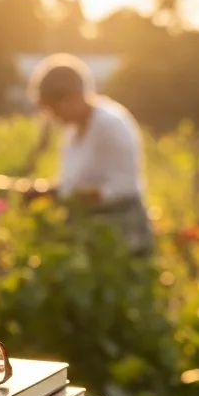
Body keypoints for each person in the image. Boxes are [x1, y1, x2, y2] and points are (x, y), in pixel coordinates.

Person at [29, 54, 153, 254]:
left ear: (71, 97)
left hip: (122, 232)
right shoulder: (71, 131)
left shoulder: (109, 124)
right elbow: (76, 180)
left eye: (53, 108)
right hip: (93, 233)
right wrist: (50, 191)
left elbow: (125, 186)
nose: (53, 116)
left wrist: (87, 195)